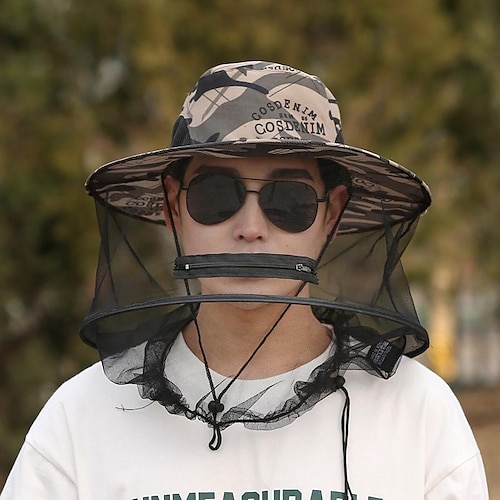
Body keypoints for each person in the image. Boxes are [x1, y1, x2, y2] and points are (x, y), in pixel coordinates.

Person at [1, 61, 488, 499]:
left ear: (332, 214)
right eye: (215, 195)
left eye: (288, 200)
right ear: (173, 207)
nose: (251, 228)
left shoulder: (419, 415)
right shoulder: (80, 421)